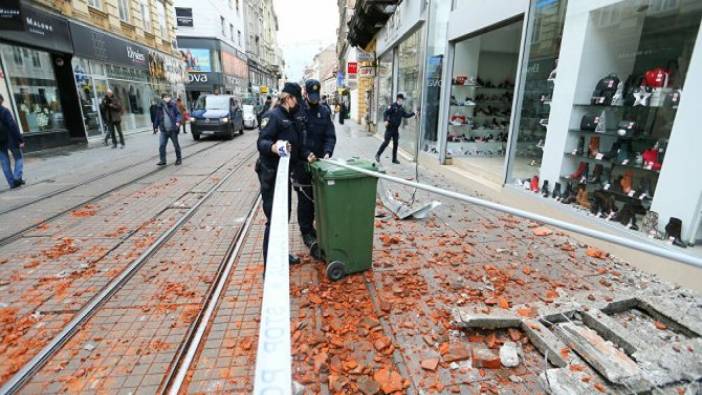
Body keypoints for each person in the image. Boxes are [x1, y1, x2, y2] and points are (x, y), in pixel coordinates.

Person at [256, 83, 304, 269]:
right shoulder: (273, 116)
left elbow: (296, 144)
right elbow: (262, 142)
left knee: (284, 217)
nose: (298, 103)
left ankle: (282, 255)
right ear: (288, 98)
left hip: (284, 176)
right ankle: (270, 265)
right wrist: (273, 147)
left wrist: (305, 155)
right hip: (271, 175)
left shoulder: (291, 117)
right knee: (274, 219)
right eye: (296, 99)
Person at [296, 79, 336, 251]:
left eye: (316, 95)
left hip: (319, 163)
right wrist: (305, 154)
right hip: (303, 163)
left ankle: (316, 227)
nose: (314, 98)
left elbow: (330, 135)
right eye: (311, 95)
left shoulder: (324, 111)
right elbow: (295, 138)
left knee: (318, 197)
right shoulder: (298, 112)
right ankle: (306, 231)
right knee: (305, 199)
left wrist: (327, 151)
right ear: (305, 94)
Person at [376, 93, 416, 164]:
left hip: (395, 129)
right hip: (390, 128)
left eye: (403, 100)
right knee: (386, 142)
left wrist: (413, 113)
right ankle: (378, 154)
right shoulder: (392, 106)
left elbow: (406, 115)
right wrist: (385, 120)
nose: (402, 101)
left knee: (396, 144)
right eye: (402, 100)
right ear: (398, 99)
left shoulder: (401, 108)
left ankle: (394, 159)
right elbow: (385, 113)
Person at [0, 94, 25, 189]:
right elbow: (12, 125)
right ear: (1, 100)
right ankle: (17, 178)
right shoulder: (4, 111)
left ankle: (12, 184)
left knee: (4, 162)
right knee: (19, 158)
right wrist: (20, 139)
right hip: (10, 139)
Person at [153, 93, 182, 166]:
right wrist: (155, 127)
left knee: (176, 145)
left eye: (168, 97)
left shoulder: (173, 105)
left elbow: (178, 114)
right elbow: (157, 117)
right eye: (165, 97)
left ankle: (179, 159)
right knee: (162, 145)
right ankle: (163, 160)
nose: (167, 98)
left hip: (172, 129)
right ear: (162, 98)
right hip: (163, 130)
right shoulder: (159, 107)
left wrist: (178, 122)